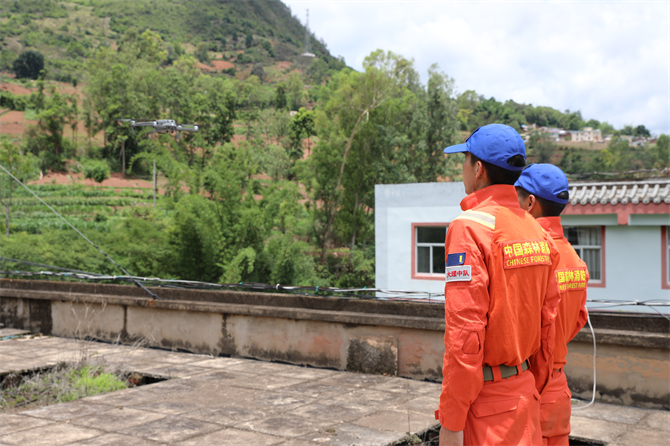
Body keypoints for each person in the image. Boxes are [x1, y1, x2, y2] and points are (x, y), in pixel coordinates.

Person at [436, 124, 561, 446]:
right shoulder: (538, 231)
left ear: (478, 168)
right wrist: (535, 386)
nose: (463, 169)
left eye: (464, 160)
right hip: (526, 396)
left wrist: (451, 420)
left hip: (487, 409)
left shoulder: (469, 227)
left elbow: (465, 335)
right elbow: (549, 324)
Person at [515, 164, 589, 446]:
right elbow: (578, 320)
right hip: (558, 391)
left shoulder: (530, 256)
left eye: (517, 196)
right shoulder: (575, 259)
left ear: (530, 203)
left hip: (529, 385)